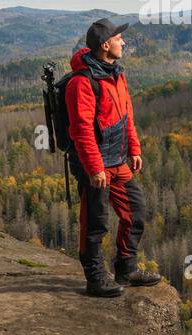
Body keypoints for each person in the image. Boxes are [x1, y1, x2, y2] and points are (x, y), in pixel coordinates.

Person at [65, 18, 161, 297]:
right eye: (119, 38)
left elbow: (126, 115)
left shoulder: (116, 73)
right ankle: (95, 277)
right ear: (105, 45)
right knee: (95, 223)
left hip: (118, 161)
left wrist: (134, 148)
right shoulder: (82, 83)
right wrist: (95, 169)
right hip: (94, 166)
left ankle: (126, 268)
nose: (124, 42)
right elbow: (81, 130)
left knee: (136, 212)